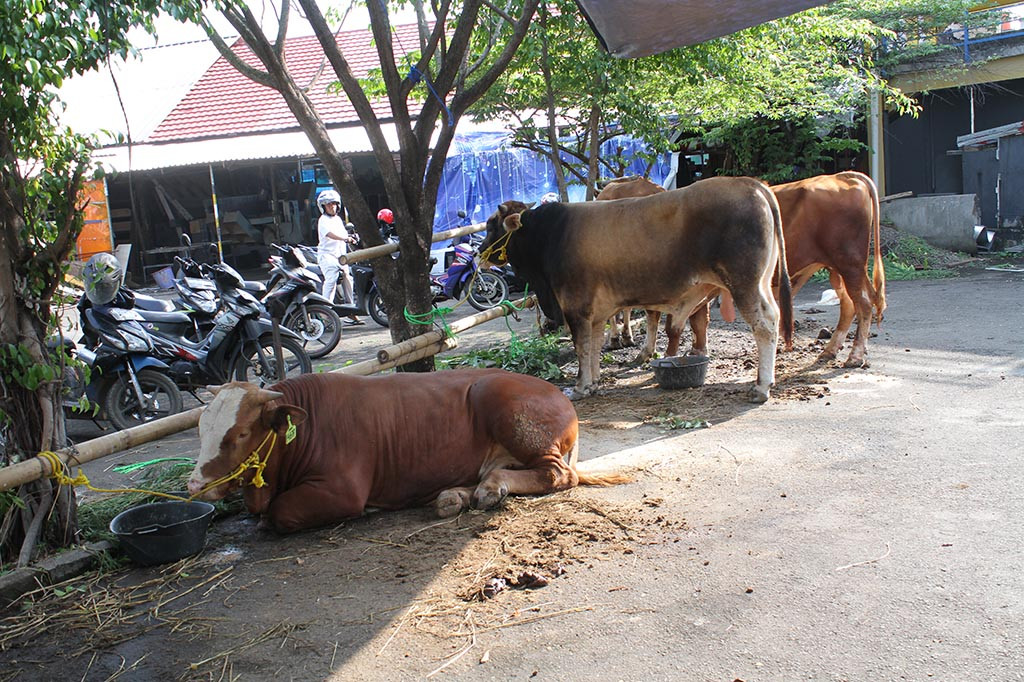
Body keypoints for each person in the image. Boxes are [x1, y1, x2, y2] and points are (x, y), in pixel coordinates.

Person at [316, 189, 363, 325]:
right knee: (331, 280)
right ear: (323, 207)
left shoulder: (337, 220)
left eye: (334, 204)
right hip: (327, 256)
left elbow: (344, 234)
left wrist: (351, 237)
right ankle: (325, 313)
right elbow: (330, 234)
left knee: (349, 280)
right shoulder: (323, 220)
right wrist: (345, 238)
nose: (332, 207)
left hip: (341, 257)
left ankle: (351, 311)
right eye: (329, 204)